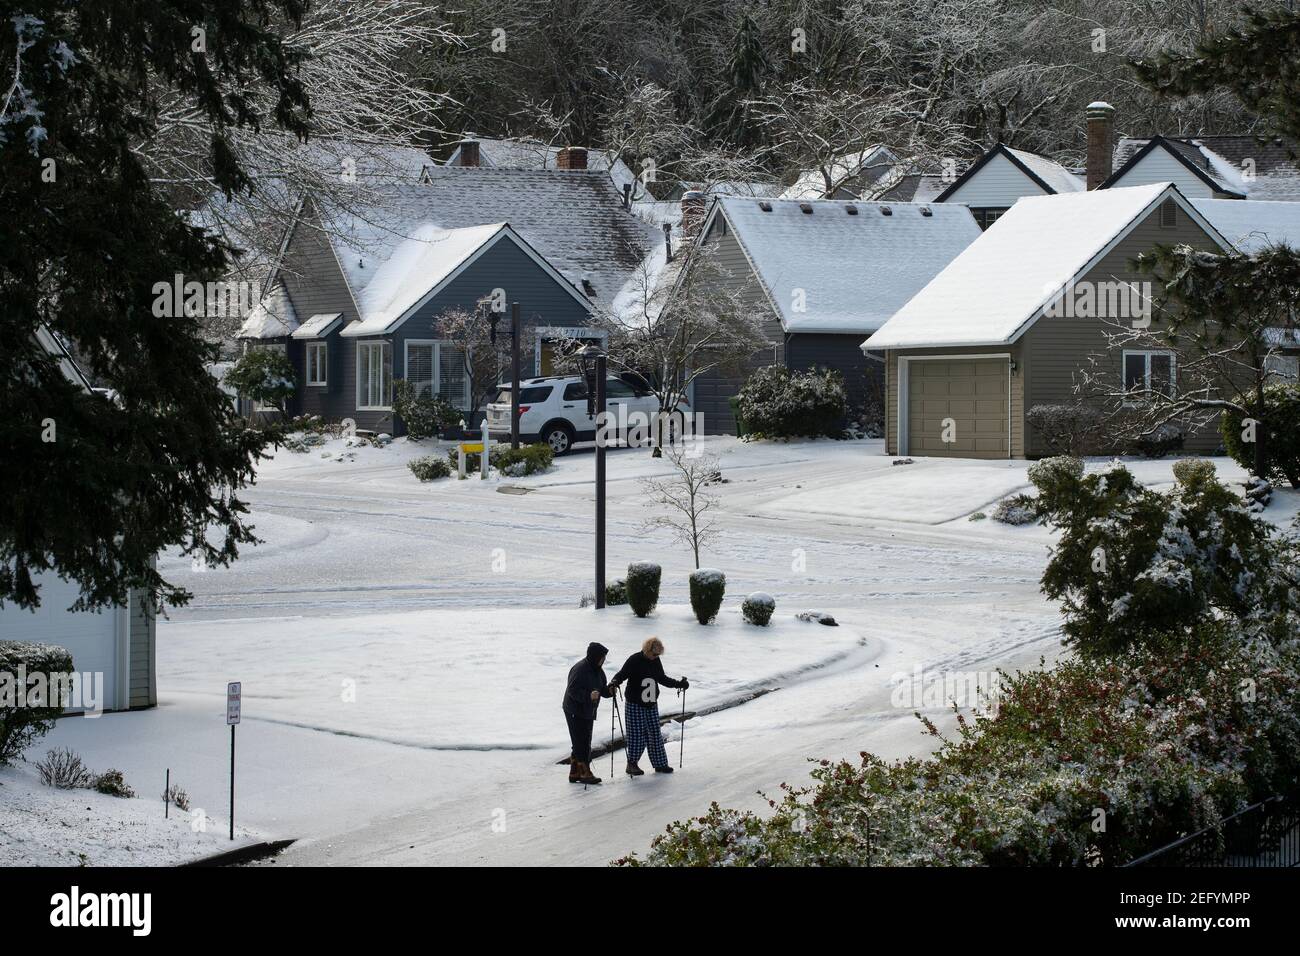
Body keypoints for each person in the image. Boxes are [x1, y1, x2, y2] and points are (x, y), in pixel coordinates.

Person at [610, 637, 688, 776]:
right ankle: (632, 764)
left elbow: (662, 678)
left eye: (658, 655)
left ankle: (660, 764)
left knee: (655, 734)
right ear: (647, 650)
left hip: (651, 703)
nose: (656, 657)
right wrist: (615, 682)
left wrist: (679, 684)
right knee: (637, 735)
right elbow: (622, 674)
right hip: (635, 703)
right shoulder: (634, 660)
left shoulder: (655, 661)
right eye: (654, 654)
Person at [562, 642, 614, 785]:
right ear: (594, 656)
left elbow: (601, 689)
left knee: (583, 739)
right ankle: (585, 772)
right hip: (574, 710)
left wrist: (609, 691)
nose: (604, 660)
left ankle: (574, 772)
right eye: (602, 657)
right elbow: (572, 690)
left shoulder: (598, 670)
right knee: (581, 742)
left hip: (588, 710)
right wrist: (588, 696)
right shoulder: (580, 669)